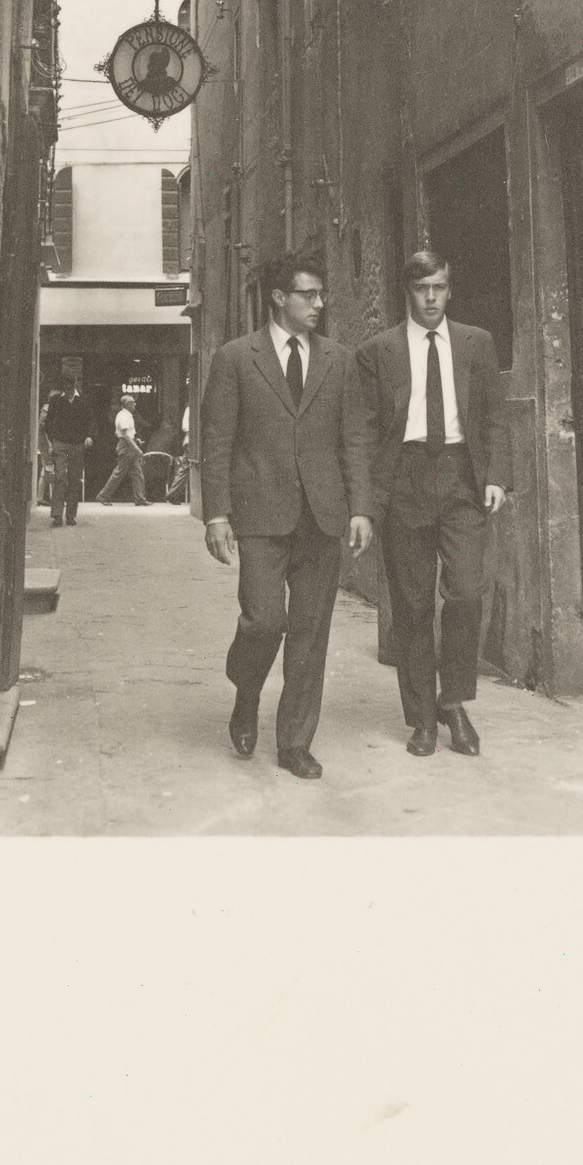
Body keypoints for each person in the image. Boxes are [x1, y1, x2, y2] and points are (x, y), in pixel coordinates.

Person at [200, 252, 373, 779]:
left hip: (322, 516)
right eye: (308, 294)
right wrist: (217, 515)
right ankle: (247, 691)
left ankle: (295, 741)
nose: (319, 304)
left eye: (322, 295)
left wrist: (361, 508)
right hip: (259, 514)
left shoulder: (339, 360)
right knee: (264, 621)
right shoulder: (236, 358)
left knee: (310, 631)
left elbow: (354, 440)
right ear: (279, 298)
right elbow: (218, 439)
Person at [354, 249, 510, 759]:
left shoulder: (475, 343)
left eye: (439, 288)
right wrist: (369, 501)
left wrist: (496, 478)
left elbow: (492, 415)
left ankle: (454, 700)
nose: (431, 298)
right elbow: (366, 430)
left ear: (449, 289)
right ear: (408, 293)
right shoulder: (379, 351)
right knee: (413, 604)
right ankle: (422, 717)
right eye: (422, 290)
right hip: (406, 479)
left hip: (462, 477)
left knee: (466, 590)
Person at [41, 379, 93, 526]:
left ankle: (70, 515)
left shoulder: (83, 400)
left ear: (74, 387)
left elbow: (90, 420)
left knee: (74, 479)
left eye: (69, 388)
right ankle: (57, 515)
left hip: (77, 444)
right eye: (65, 389)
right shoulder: (56, 400)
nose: (67, 391)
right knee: (60, 478)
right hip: (61, 443)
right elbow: (49, 422)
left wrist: (88, 436)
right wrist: (54, 439)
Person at [95, 394, 150, 506]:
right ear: (127, 404)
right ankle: (103, 495)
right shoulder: (124, 416)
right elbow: (125, 434)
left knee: (137, 472)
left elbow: (127, 434)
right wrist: (136, 448)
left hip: (129, 445)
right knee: (120, 472)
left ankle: (140, 497)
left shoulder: (127, 415)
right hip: (127, 447)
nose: (135, 404)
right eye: (133, 402)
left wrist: (136, 440)